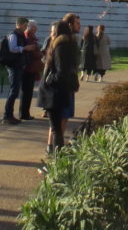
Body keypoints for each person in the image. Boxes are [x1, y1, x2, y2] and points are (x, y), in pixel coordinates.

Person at [41, 18, 79, 154]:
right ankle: (56, 152)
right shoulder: (67, 44)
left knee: (56, 127)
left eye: (52, 32)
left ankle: (57, 154)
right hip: (59, 90)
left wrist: (50, 80)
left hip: (55, 92)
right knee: (57, 126)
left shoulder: (61, 46)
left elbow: (61, 70)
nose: (51, 34)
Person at [1, 16, 32, 125]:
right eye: (25, 25)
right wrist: (24, 48)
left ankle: (9, 114)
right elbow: (12, 48)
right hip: (13, 66)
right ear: (19, 24)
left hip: (18, 65)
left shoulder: (20, 35)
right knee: (13, 91)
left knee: (14, 91)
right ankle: (7, 115)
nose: (26, 27)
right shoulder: (14, 35)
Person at [18, 20, 43, 120]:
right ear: (31, 28)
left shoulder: (29, 37)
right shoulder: (29, 37)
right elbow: (33, 52)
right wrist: (41, 54)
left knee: (27, 92)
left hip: (30, 67)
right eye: (35, 27)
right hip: (29, 68)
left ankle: (25, 113)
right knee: (26, 92)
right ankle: (24, 113)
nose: (36, 29)